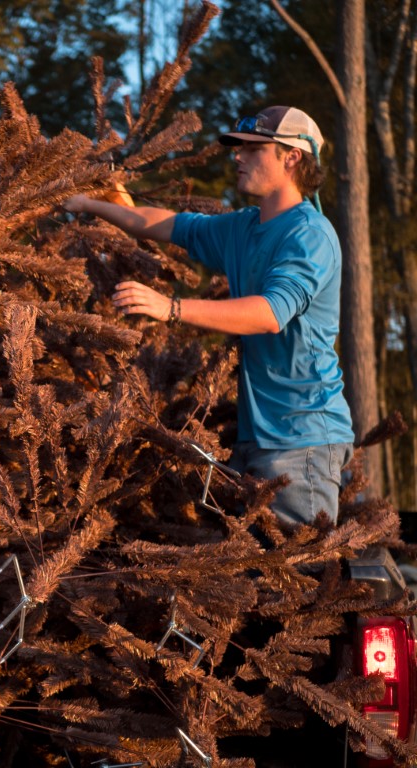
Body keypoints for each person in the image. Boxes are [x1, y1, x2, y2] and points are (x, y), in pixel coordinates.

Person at [63, 105, 354, 526]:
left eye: (252, 149)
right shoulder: (243, 227)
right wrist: (89, 202)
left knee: (293, 563)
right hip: (258, 438)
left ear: (292, 157)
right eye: (238, 148)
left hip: (302, 440)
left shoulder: (308, 235)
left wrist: (170, 308)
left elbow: (271, 312)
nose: (238, 156)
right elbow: (161, 223)